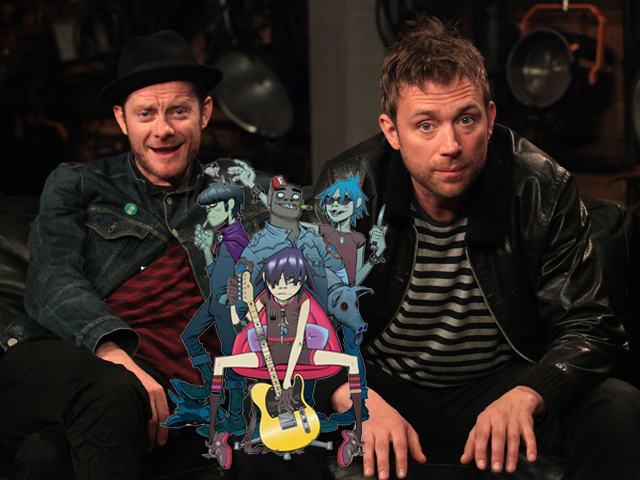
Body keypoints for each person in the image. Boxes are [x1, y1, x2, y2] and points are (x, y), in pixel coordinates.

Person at [308, 14, 640, 480]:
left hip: (498, 388)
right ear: (391, 131)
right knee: (260, 416)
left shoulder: (541, 186)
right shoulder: (347, 188)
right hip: (382, 385)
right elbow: (298, 321)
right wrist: (353, 395)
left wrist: (528, 395)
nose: (451, 145)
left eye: (466, 119)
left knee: (618, 405)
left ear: (490, 117)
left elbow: (591, 326)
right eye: (426, 125)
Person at [0, 30, 330, 480]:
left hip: (191, 399)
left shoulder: (244, 192)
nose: (163, 129)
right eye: (145, 113)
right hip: (95, 370)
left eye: (178, 111)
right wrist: (111, 351)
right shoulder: (78, 185)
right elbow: (50, 279)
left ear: (204, 112)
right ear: (121, 119)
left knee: (45, 456)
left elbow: (320, 237)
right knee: (92, 411)